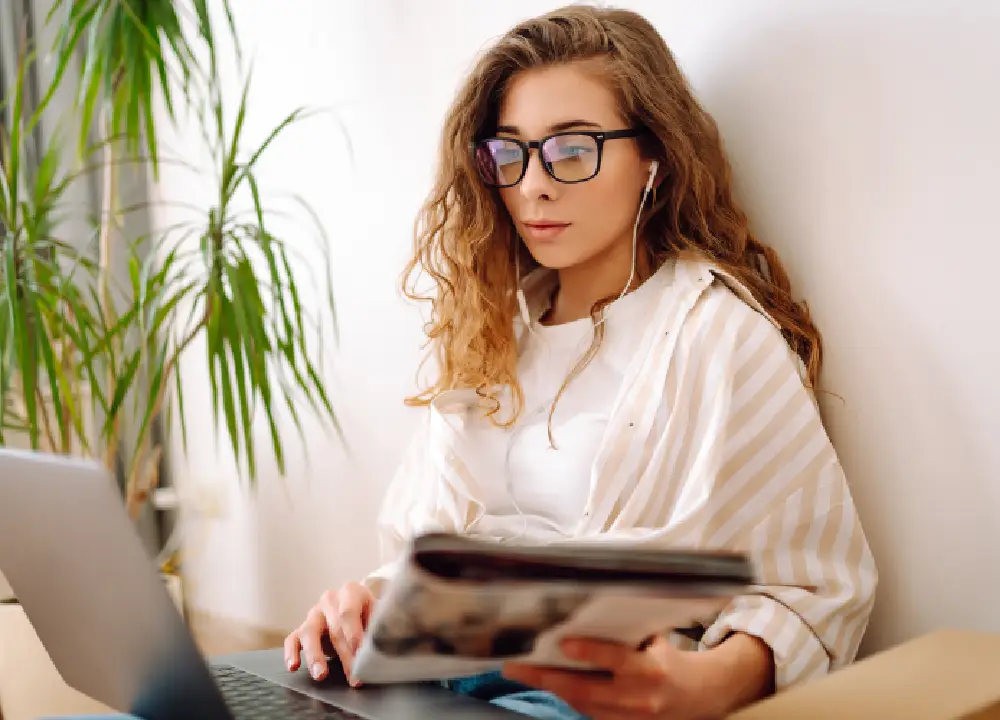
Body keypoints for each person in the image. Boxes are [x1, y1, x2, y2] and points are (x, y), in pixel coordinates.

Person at [285, 5, 878, 720]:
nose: (532, 185)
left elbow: (813, 588)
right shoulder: (491, 332)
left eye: (572, 150)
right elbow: (437, 552)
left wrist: (699, 687)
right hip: (423, 672)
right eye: (510, 152)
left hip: (577, 694)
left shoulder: (719, 338)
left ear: (653, 158)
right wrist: (366, 602)